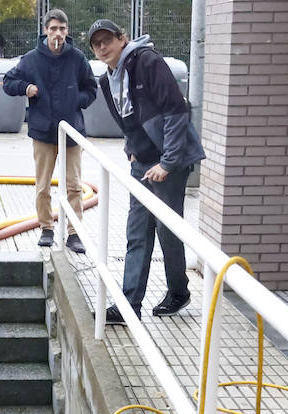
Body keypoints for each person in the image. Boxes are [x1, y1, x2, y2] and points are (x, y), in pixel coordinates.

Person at [88, 19, 205, 325]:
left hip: (170, 159)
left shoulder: (148, 62)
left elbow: (177, 111)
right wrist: (131, 143)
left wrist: (168, 163)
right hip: (142, 162)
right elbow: (130, 117)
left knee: (167, 230)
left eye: (106, 40)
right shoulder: (107, 79)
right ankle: (129, 305)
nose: (101, 47)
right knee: (137, 231)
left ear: (122, 39)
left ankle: (179, 292)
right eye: (96, 43)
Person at [2, 8, 96, 254]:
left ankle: (74, 232)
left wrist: (77, 99)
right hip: (43, 132)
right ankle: (46, 228)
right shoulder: (32, 58)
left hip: (72, 132)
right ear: (45, 30)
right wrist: (26, 87)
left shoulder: (77, 58)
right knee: (43, 186)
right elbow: (7, 82)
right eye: (53, 28)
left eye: (62, 29)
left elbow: (91, 88)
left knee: (74, 185)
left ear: (67, 31)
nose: (58, 33)